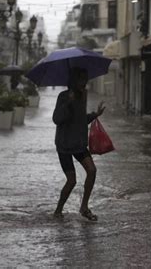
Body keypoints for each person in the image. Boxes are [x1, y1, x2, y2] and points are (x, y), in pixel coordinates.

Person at [52, 67, 105, 221]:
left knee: (92, 170)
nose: (84, 82)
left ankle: (84, 207)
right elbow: (56, 119)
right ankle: (58, 210)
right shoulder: (63, 96)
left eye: (85, 79)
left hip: (79, 144)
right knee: (72, 180)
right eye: (81, 79)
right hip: (64, 145)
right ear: (74, 81)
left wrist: (95, 115)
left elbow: (81, 120)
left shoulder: (83, 95)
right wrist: (68, 103)